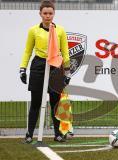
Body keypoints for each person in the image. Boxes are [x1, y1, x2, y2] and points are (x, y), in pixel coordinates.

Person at [19, 0, 70, 143]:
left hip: (55, 66)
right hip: (38, 65)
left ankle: (58, 134)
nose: (48, 16)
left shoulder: (60, 30)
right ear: (40, 14)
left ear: (54, 14)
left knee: (55, 103)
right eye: (45, 13)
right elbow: (27, 51)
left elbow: (65, 53)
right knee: (35, 102)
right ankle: (29, 134)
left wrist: (67, 72)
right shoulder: (33, 30)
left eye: (50, 13)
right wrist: (23, 69)